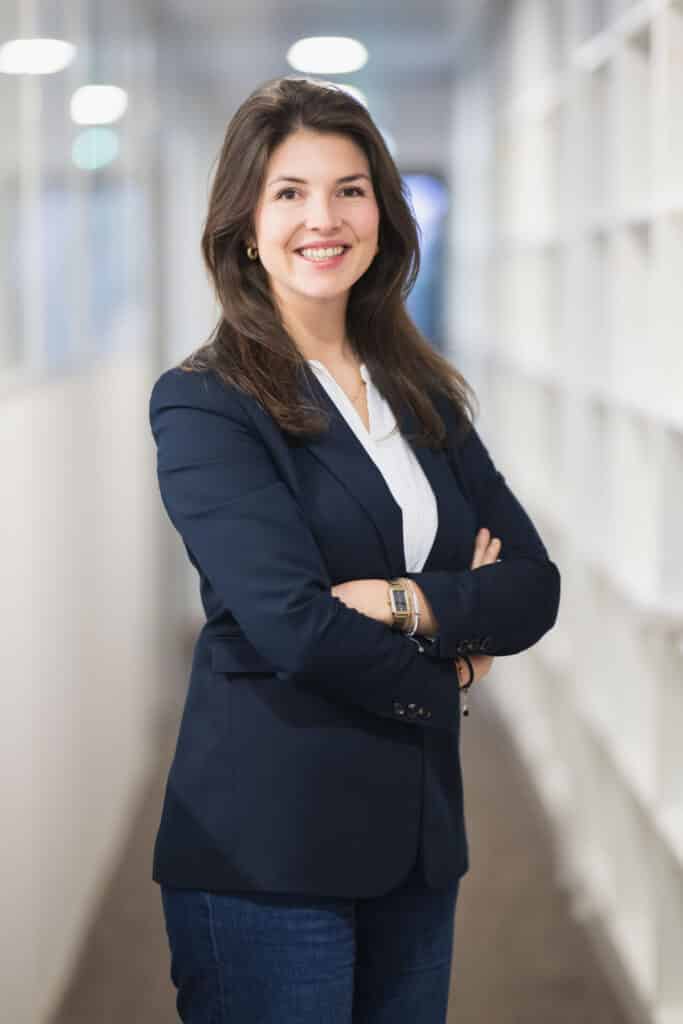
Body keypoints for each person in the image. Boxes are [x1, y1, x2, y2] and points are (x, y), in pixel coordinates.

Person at [149, 75, 561, 1024]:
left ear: (382, 213)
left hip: (416, 840)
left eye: (349, 189)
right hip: (271, 845)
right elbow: (294, 626)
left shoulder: (421, 392)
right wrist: (454, 667)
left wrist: (398, 600)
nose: (322, 219)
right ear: (245, 225)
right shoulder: (207, 402)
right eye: (289, 192)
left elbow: (531, 585)